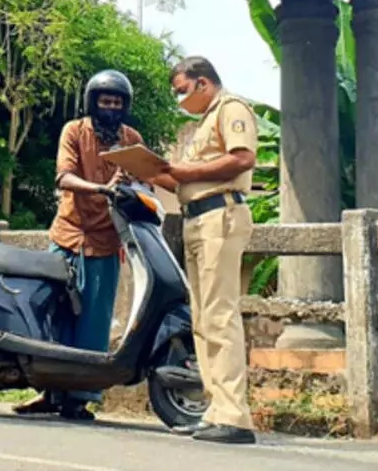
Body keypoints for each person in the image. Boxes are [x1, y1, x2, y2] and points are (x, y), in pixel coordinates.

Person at [15, 69, 176, 420]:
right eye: (105, 101)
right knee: (54, 315)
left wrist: (142, 184)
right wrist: (99, 188)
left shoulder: (131, 137)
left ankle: (79, 397)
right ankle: (48, 393)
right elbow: (64, 176)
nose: (111, 107)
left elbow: (148, 177)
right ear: (92, 102)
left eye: (117, 102)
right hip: (68, 235)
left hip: (105, 241)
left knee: (94, 319)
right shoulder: (74, 131)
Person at [162, 56, 258, 445]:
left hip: (222, 215)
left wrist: (181, 172)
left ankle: (235, 416)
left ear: (204, 83)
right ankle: (217, 409)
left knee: (220, 315)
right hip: (196, 217)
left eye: (183, 90)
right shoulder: (200, 125)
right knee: (201, 320)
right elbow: (185, 182)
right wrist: (151, 169)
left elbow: (242, 158)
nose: (180, 99)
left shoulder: (230, 108)